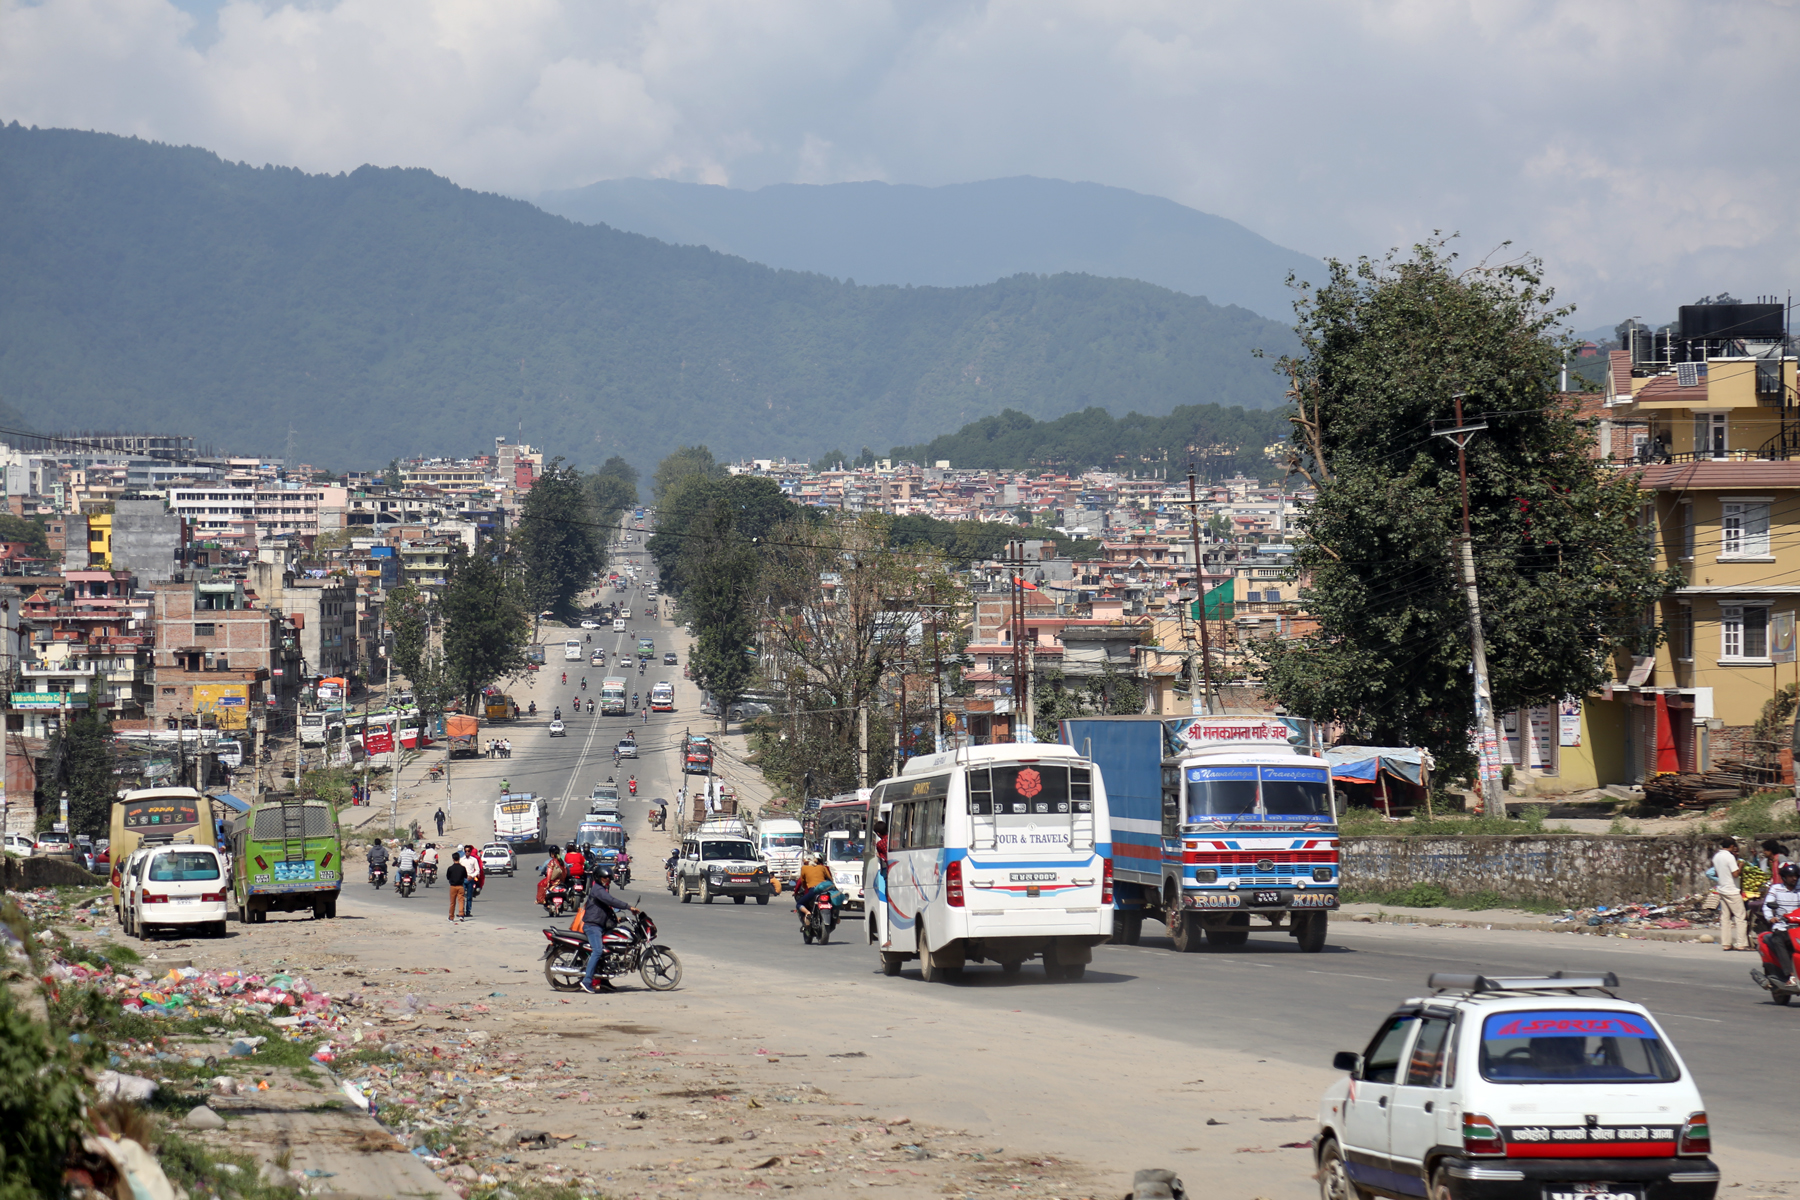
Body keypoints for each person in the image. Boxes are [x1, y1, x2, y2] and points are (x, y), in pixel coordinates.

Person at [580, 866, 637, 995]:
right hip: (593, 926)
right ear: (598, 878)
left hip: (600, 926)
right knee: (598, 951)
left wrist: (618, 918)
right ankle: (587, 981)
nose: (608, 880)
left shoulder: (602, 890)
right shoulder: (598, 889)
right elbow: (610, 900)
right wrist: (628, 907)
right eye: (605, 877)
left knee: (609, 950)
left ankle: (603, 981)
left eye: (609, 878)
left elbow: (606, 908)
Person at [1760, 862, 1800, 988]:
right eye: (1791, 876)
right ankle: (1791, 974)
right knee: (1779, 940)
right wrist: (1770, 918)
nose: (1794, 878)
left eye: (1796, 876)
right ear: (1784, 877)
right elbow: (1767, 905)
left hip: (1798, 926)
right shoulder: (1776, 889)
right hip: (1782, 926)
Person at [1714, 836, 1749, 951]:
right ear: (1732, 846)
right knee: (1740, 917)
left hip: (1722, 888)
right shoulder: (1729, 857)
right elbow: (1735, 874)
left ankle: (1726, 943)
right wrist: (1740, 866)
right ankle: (1741, 943)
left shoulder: (1716, 857)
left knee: (1725, 917)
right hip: (1732, 890)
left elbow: (1717, 874)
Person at [794, 851, 836, 928]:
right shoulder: (823, 867)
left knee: (799, 904)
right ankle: (835, 915)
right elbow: (830, 878)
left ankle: (807, 913)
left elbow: (802, 882)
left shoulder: (804, 868)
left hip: (813, 890)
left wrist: (805, 887)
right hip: (826, 890)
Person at [446, 851, 468, 921]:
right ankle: (461, 915)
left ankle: (451, 917)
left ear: (453, 859)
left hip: (452, 886)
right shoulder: (462, 868)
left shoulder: (450, 868)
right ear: (459, 858)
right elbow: (465, 876)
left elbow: (448, 877)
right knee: (461, 901)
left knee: (452, 902)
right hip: (461, 886)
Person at [463, 845, 485, 915]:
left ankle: (468, 911)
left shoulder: (474, 860)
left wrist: (471, 876)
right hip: (463, 879)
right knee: (461, 897)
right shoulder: (461, 860)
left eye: (468, 851)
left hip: (471, 879)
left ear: (470, 852)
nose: (467, 852)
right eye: (466, 851)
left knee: (469, 896)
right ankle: (461, 911)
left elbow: (478, 870)